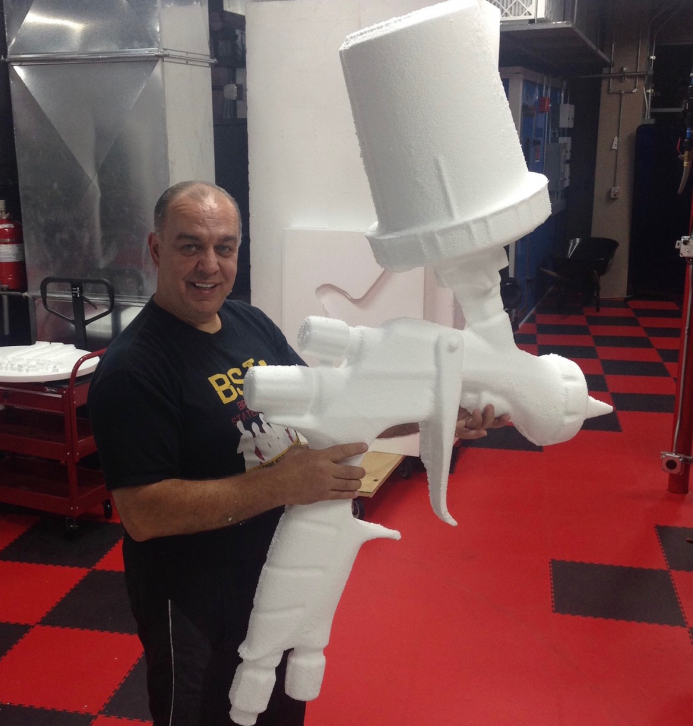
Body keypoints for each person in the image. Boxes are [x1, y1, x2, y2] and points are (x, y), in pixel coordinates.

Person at [88, 181, 508, 726]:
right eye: (190, 246)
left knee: (278, 712)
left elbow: (329, 414)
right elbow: (143, 513)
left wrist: (438, 417)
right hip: (193, 600)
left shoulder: (250, 323)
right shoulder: (134, 368)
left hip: (279, 576)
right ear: (156, 249)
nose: (209, 265)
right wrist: (283, 484)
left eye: (224, 247)